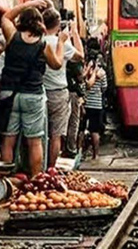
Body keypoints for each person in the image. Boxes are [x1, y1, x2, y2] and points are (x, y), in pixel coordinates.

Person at [0, 0, 63, 177]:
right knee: (34, 142)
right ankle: (35, 180)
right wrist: (61, 44)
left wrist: (29, 3)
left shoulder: (12, 36)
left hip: (9, 94)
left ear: (21, 21)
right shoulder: (43, 44)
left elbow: (6, 16)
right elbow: (57, 64)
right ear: (40, 23)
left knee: (8, 140)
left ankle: (6, 180)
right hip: (33, 95)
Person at [42, 9, 84, 168]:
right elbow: (80, 55)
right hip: (59, 93)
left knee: (39, 134)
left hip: (41, 92)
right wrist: (74, 32)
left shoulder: (39, 40)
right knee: (56, 135)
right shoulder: (61, 43)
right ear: (58, 24)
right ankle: (51, 169)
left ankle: (38, 169)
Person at [84, 56, 107, 159]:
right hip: (96, 104)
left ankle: (80, 152)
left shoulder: (85, 71)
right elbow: (104, 88)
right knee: (95, 130)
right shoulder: (102, 73)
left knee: (81, 129)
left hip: (85, 103)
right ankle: (95, 154)